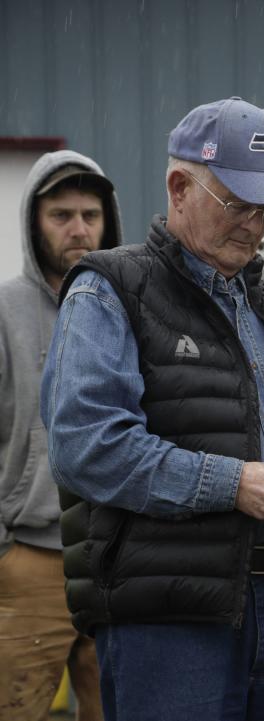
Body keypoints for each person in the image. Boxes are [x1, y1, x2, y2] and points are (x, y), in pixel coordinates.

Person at [40, 97, 264, 721]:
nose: (256, 224)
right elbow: (86, 446)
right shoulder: (110, 291)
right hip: (170, 620)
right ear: (178, 187)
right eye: (238, 204)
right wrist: (235, 484)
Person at [0, 151, 117, 721]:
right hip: (29, 558)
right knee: (18, 708)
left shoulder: (125, 306)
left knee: (117, 708)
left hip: (113, 557)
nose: (79, 229)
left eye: (90, 214)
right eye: (61, 215)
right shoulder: (5, 310)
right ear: (32, 223)